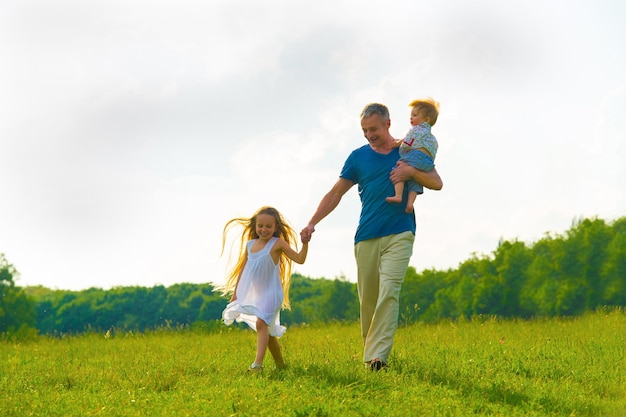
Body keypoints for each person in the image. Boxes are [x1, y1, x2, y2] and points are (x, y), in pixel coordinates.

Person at [300, 103, 442, 371]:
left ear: (388, 124)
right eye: (365, 130)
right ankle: (371, 354)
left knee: (390, 291)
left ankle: (378, 358)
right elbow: (335, 194)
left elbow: (436, 182)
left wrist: (410, 172)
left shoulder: (407, 150)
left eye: (374, 129)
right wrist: (312, 222)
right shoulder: (357, 157)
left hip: (400, 231)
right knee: (368, 300)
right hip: (366, 235)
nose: (369, 134)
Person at [219, 206, 309, 372]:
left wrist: (305, 244)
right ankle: (281, 365)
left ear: (275, 228)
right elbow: (243, 271)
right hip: (258, 295)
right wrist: (235, 295)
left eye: (268, 226)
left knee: (261, 324)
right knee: (267, 330)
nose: (264, 229)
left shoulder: (277, 244)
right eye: (260, 225)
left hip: (272, 294)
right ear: (255, 226)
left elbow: (300, 259)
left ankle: (257, 365)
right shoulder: (250, 245)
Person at [386, 98, 440, 213]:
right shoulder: (430, 136)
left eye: (415, 115)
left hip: (416, 156)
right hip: (427, 162)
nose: (411, 118)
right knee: (414, 181)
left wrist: (396, 144)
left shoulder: (417, 129)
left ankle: (398, 195)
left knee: (399, 169)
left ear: (426, 119)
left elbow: (408, 140)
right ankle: (410, 203)